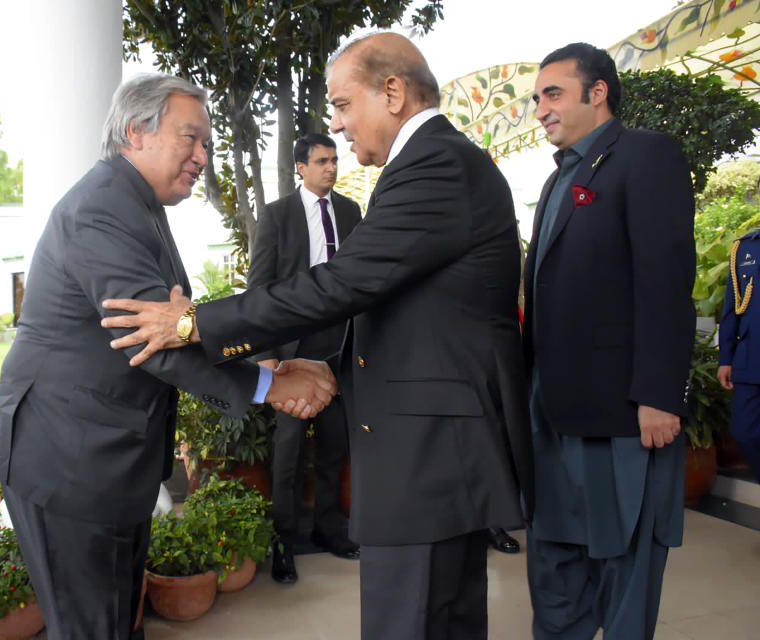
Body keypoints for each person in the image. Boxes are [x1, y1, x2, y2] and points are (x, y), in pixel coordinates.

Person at [102, 33, 533, 640]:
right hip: (435, 448)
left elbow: (343, 284)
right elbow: (389, 301)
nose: (336, 125)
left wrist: (196, 322)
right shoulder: (436, 162)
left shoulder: (436, 163)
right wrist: (304, 372)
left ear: (391, 91)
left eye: (341, 104)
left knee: (412, 620)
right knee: (443, 617)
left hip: (429, 454)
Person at [0, 74, 335, 640]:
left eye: (207, 145)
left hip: (107, 459)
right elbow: (152, 344)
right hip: (67, 460)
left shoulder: (138, 204)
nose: (202, 157)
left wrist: (263, 368)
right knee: (93, 626)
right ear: (135, 133)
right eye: (191, 139)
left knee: (119, 617)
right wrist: (272, 386)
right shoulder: (103, 209)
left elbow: (176, 330)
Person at [523, 43, 695, 639]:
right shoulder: (555, 182)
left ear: (598, 94)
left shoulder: (645, 156)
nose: (539, 109)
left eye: (553, 94)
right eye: (535, 97)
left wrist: (659, 394)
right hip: (554, 414)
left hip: (625, 415)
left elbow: (665, 282)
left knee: (625, 568)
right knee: (554, 567)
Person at [248, 133, 362, 583]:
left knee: (336, 446)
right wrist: (270, 361)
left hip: (339, 347)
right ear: (300, 167)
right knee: (289, 452)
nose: (330, 168)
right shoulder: (277, 217)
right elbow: (259, 290)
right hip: (293, 352)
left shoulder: (351, 212)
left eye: (334, 160)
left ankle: (331, 530)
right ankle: (284, 543)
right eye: (321, 161)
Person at [718, 220, 760, 483]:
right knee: (744, 432)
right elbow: (732, 308)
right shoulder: (745, 248)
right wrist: (726, 358)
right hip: (749, 357)